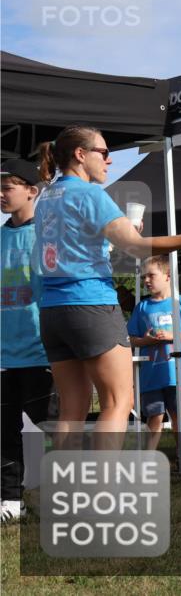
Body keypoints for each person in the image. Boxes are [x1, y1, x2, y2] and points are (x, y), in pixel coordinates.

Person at [34, 125, 181, 445]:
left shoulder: (46, 197)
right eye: (105, 153)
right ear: (80, 155)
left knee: (71, 411)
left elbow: (77, 249)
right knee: (118, 402)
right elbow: (138, 248)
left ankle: (66, 491)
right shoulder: (90, 194)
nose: (110, 161)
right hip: (91, 304)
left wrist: (123, 233)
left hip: (53, 310)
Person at [1, 159, 52, 524]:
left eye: (8, 187)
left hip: (42, 351)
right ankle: (10, 501)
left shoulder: (48, 234)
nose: (1, 193)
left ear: (32, 191)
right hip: (3, 355)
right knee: (4, 430)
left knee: (46, 426)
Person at [127, 256, 181, 450]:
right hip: (151, 374)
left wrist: (172, 335)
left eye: (151, 275)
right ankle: (148, 458)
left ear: (168, 276)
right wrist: (147, 341)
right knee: (155, 416)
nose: (146, 281)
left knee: (178, 413)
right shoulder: (141, 307)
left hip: (178, 373)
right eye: (144, 277)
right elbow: (132, 338)